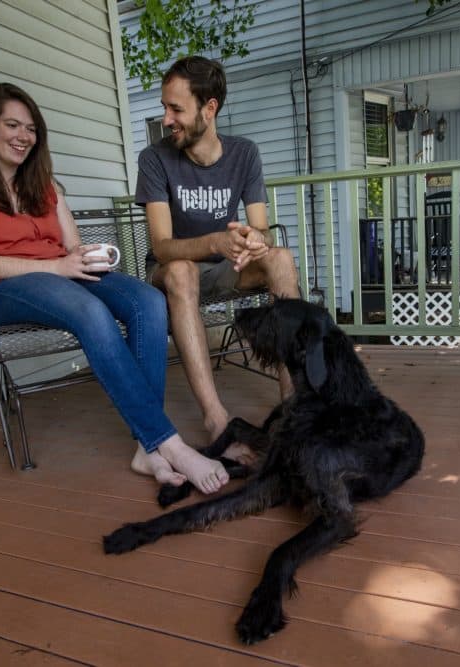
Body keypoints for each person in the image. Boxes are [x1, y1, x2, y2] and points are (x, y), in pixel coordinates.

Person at [0, 82, 228, 494]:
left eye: (31, 128)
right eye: (12, 125)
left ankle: (144, 449)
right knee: (90, 312)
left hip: (63, 277)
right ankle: (170, 444)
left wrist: (92, 257)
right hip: (7, 288)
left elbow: (73, 248)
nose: (23, 136)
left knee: (148, 300)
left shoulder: (46, 187)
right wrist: (57, 265)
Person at [135, 56, 300, 460]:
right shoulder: (154, 159)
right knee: (179, 271)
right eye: (165, 107)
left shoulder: (244, 154)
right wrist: (214, 242)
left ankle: (297, 407)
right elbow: (161, 246)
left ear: (209, 109)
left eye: (176, 108)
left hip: (227, 268)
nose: (167, 118)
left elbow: (260, 225)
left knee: (280, 258)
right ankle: (216, 419)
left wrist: (252, 239)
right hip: (173, 272)